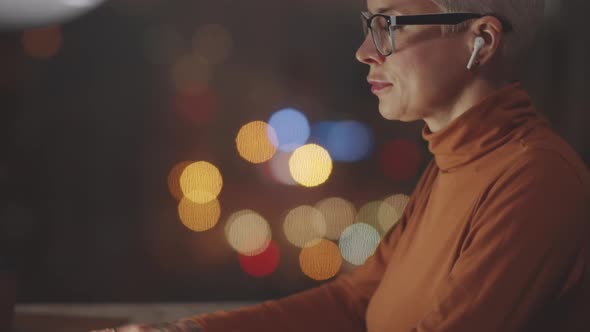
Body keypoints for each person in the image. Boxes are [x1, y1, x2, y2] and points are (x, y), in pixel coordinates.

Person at [94, 0, 590, 331]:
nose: (365, 52)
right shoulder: (452, 165)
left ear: (481, 40)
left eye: (390, 26)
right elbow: (354, 302)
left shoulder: (535, 181)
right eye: (369, 26)